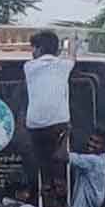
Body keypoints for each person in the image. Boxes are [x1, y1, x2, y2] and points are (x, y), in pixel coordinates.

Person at [24, 30, 76, 194]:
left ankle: (46, 183)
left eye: (34, 48)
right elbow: (72, 55)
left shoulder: (29, 67)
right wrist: (72, 39)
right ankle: (60, 182)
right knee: (59, 157)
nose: (32, 52)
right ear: (56, 50)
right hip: (59, 124)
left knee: (41, 157)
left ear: (39, 49)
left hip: (35, 124)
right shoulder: (64, 65)